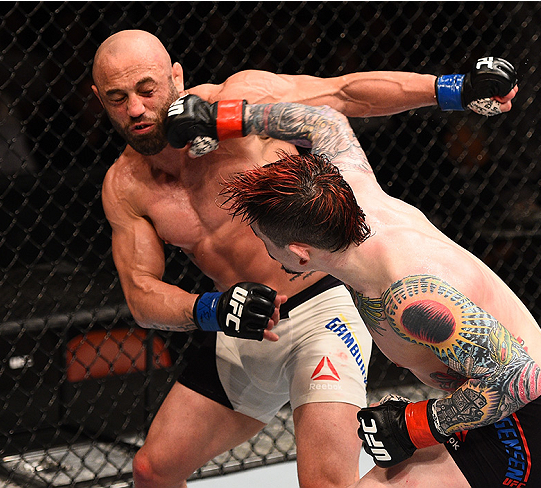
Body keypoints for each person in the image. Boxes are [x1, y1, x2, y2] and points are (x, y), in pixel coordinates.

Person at [90, 30, 517, 488]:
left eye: (147, 90)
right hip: (241, 326)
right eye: (117, 98)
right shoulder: (124, 185)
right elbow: (140, 293)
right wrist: (211, 309)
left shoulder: (240, 98)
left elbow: (341, 93)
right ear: (98, 99)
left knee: (325, 484)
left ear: (175, 76)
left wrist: (453, 89)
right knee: (151, 471)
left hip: (321, 308)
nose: (135, 108)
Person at [223, 101, 541, 488]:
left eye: (264, 238)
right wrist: (221, 117)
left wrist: (415, 425)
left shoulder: (411, 298)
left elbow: (518, 379)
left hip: (535, 424)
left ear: (299, 252)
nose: (262, 247)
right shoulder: (349, 193)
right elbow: (323, 121)